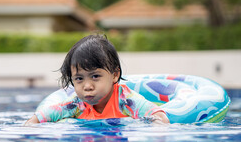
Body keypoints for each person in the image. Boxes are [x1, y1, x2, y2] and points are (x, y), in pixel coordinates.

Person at [24, 34, 169, 125]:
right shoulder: (75, 104)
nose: (87, 86)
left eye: (95, 76)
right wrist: (31, 126)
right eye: (79, 78)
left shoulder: (125, 100)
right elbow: (43, 116)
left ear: (114, 75)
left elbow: (158, 115)